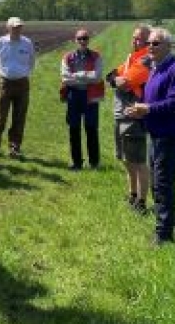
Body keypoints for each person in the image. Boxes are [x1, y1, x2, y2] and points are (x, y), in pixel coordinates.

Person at [124, 28, 175, 245]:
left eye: (156, 43)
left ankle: (163, 234)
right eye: (149, 43)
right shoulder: (156, 68)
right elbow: (150, 96)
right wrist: (138, 109)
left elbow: (174, 102)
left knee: (162, 183)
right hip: (156, 133)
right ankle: (170, 222)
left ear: (168, 46)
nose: (150, 47)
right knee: (159, 182)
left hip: (170, 135)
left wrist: (148, 109)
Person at [106, 25, 152, 212]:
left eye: (139, 39)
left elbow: (123, 83)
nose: (135, 41)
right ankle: (132, 194)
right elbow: (110, 77)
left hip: (134, 117)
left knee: (139, 161)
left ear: (148, 41)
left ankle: (141, 202)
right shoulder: (132, 59)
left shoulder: (145, 60)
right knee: (126, 159)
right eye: (133, 38)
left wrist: (119, 79)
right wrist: (117, 79)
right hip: (120, 115)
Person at [0, 17, 35, 159]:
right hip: (5, 83)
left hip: (22, 83)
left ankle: (14, 147)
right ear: (8, 28)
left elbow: (32, 62)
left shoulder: (27, 43)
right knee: (0, 118)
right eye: (14, 27)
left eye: (19, 27)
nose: (17, 29)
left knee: (19, 118)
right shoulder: (0, 42)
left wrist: (21, 72)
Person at [60, 29, 104, 170]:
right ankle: (76, 162)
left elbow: (97, 77)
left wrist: (77, 75)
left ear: (88, 40)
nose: (82, 41)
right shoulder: (67, 57)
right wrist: (86, 76)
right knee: (74, 129)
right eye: (80, 39)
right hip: (74, 96)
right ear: (75, 40)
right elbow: (65, 78)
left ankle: (94, 163)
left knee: (91, 129)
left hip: (90, 95)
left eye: (85, 38)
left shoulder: (96, 56)